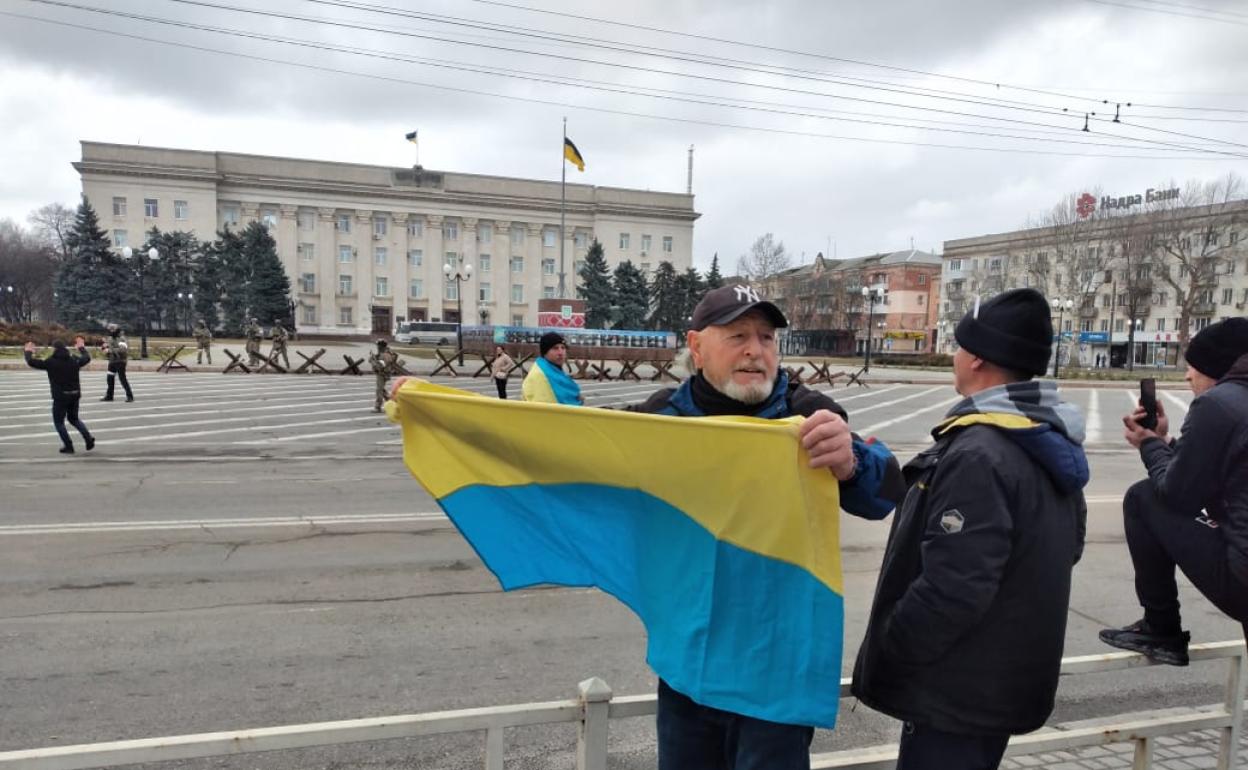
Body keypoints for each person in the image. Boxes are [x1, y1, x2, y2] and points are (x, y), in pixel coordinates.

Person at [628, 283, 905, 770]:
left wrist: (853, 461)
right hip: (687, 670)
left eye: (766, 337)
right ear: (696, 347)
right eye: (738, 335)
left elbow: (886, 495)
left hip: (776, 675)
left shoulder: (807, 416)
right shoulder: (659, 420)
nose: (755, 351)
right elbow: (576, 458)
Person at [852, 288, 1088, 770]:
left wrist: (893, 647)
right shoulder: (1044, 436)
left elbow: (954, 586)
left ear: (978, 357)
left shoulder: (980, 451)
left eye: (959, 345)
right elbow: (1069, 545)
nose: (955, 356)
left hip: (954, 693)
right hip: (999, 682)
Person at [1099, 317, 1248, 665]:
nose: (1187, 376)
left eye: (1193, 367)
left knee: (1143, 497)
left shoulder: (1219, 403)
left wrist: (1148, 444)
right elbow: (1210, 472)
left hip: (1243, 579)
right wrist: (1164, 441)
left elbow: (1179, 494)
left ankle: (1161, 626)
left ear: (1216, 368)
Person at [24, 338, 96, 455]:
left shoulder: (51, 362)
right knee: (74, 419)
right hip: (75, 394)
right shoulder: (73, 359)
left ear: (54, 349)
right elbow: (87, 358)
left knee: (59, 422)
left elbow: (32, 362)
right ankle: (88, 439)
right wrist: (82, 348)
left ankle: (68, 446)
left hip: (60, 397)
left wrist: (28, 352)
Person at [522, 332, 582, 405]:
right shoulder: (542, 375)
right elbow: (548, 407)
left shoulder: (553, 370)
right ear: (545, 352)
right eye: (555, 348)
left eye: (563, 348)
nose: (560, 352)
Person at [100, 323, 134, 402]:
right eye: (110, 329)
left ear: (117, 329)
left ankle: (130, 396)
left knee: (122, 379)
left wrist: (110, 351)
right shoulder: (110, 338)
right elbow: (107, 347)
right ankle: (109, 396)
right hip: (112, 361)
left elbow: (123, 350)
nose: (111, 331)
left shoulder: (122, 338)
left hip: (120, 361)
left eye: (112, 329)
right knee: (110, 378)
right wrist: (104, 347)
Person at [369, 339, 399, 413]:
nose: (377, 347)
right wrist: (373, 359)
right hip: (381, 373)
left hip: (382, 374)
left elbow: (381, 366)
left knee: (379, 390)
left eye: (378, 346)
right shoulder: (383, 353)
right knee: (381, 389)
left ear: (381, 346)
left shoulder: (386, 355)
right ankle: (391, 401)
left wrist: (373, 361)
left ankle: (378, 407)